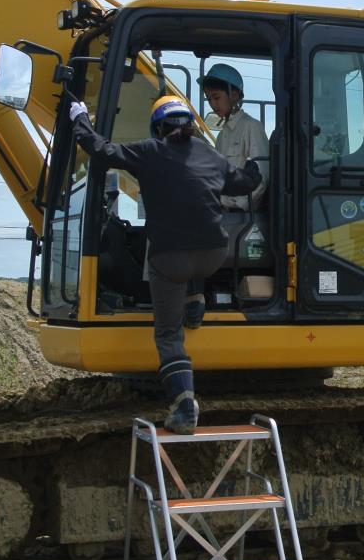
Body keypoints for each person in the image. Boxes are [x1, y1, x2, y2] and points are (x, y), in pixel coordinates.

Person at [68, 94, 262, 433]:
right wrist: (255, 166)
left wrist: (80, 117)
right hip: (214, 255)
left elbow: (100, 149)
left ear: (159, 127)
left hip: (171, 261)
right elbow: (246, 182)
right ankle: (195, 302)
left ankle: (184, 405)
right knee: (196, 248)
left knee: (169, 333)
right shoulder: (211, 155)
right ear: (189, 125)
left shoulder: (148, 151)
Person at [200, 63, 268, 213]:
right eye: (209, 99)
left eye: (216, 97)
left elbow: (262, 178)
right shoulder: (222, 136)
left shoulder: (252, 127)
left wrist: (238, 207)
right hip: (224, 213)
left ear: (235, 94)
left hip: (243, 217)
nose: (212, 104)